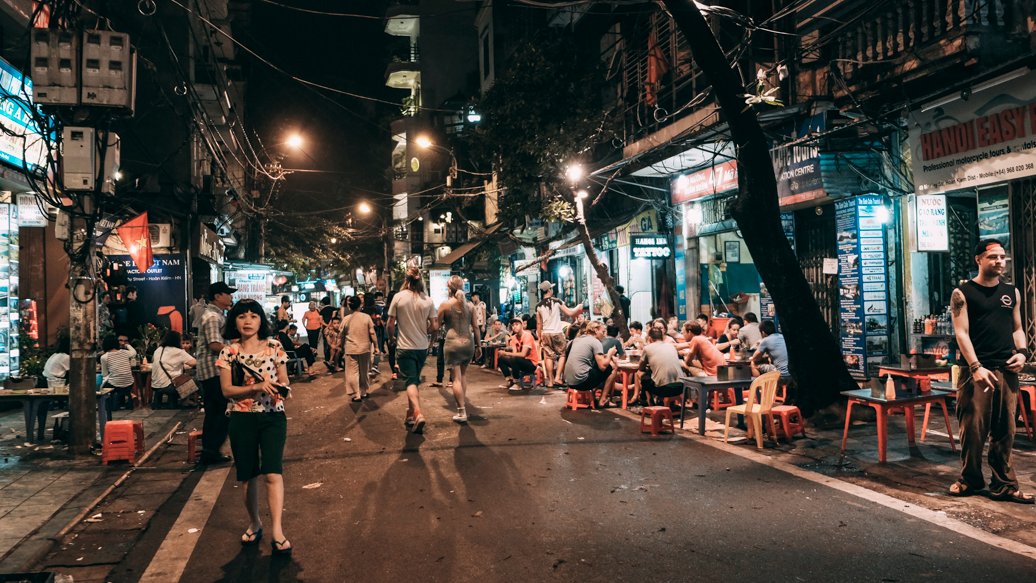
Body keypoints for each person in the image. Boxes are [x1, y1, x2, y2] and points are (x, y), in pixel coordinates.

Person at [947, 239, 1033, 503]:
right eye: (993, 257)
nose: (999, 261)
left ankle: (1004, 485)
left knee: (1006, 430)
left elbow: (1017, 328)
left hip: (1006, 370)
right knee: (973, 430)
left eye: (1002, 257)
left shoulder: (1012, 292)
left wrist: (1022, 353)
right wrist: (975, 367)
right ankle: (970, 480)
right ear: (979, 260)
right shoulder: (963, 293)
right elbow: (961, 333)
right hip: (976, 372)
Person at [216, 299, 293, 555]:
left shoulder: (274, 347)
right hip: (241, 418)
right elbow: (227, 390)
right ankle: (255, 522)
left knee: (273, 472)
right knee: (248, 476)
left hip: (272, 417)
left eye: (253, 316)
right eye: (241, 316)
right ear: (234, 321)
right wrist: (256, 386)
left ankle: (278, 530)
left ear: (261, 320)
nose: (247, 321)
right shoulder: (228, 352)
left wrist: (282, 388)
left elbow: (284, 379)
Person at [386, 267, 438, 433]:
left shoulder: (398, 297)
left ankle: (418, 413)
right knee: (414, 380)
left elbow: (390, 323)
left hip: (405, 347)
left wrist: (391, 337)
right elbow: (435, 326)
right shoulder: (428, 300)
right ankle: (410, 414)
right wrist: (425, 333)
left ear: (406, 280)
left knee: (411, 381)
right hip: (421, 347)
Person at [196, 281, 236, 465]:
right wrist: (235, 352)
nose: (230, 296)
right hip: (213, 370)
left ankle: (209, 452)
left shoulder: (216, 315)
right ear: (218, 296)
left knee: (213, 413)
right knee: (222, 412)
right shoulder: (213, 316)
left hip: (210, 371)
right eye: (227, 293)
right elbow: (214, 344)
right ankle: (211, 450)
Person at [436, 276, 482, 422]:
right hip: (468, 343)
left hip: (452, 343)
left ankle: (461, 411)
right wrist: (479, 346)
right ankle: (463, 405)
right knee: (463, 376)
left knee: (455, 378)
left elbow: (436, 326)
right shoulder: (470, 306)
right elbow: (476, 327)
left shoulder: (445, 305)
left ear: (449, 288)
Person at [536, 280, 584, 389]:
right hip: (557, 332)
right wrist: (579, 307)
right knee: (562, 354)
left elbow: (539, 323)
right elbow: (570, 313)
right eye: (551, 288)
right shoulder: (557, 301)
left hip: (545, 333)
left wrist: (539, 337)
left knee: (548, 356)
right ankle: (558, 377)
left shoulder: (538, 306)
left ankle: (550, 382)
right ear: (549, 290)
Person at [563, 321, 617, 407]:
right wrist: (610, 354)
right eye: (603, 332)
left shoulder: (577, 339)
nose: (604, 334)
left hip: (568, 381)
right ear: (596, 330)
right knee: (612, 368)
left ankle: (594, 395)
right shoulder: (595, 342)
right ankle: (602, 400)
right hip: (581, 381)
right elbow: (602, 367)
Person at [636, 327, 690, 404]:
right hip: (681, 386)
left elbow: (641, 367)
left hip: (663, 389)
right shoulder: (671, 346)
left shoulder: (647, 348)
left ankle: (649, 402)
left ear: (650, 338)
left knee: (640, 374)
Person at [339, 296, 377, 402]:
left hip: (351, 349)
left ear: (350, 307)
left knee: (352, 372)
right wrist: (376, 346)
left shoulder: (346, 319)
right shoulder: (366, 317)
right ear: (360, 305)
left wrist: (342, 346)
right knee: (364, 371)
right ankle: (364, 391)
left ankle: (357, 394)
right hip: (365, 348)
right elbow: (372, 333)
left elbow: (341, 336)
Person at [151, 330, 197, 408]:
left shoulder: (158, 350)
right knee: (196, 379)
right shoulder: (177, 351)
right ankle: (186, 401)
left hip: (155, 385)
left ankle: (182, 400)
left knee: (181, 377)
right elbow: (194, 362)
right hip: (168, 386)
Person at [498, 317, 538, 391]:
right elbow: (515, 353)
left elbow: (523, 354)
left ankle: (517, 382)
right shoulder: (513, 338)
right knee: (501, 358)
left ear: (522, 325)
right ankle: (510, 381)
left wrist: (506, 353)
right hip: (520, 361)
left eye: (517, 324)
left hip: (531, 363)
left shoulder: (527, 336)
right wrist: (505, 354)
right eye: (513, 325)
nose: (514, 327)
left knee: (514, 358)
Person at [100, 334, 135, 411]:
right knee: (118, 381)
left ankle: (110, 405)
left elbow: (104, 374)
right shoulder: (125, 352)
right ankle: (123, 401)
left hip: (115, 385)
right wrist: (126, 345)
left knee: (103, 384)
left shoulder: (104, 357)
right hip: (129, 383)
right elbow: (134, 352)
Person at [471, 291, 488, 362]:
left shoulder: (482, 304)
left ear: (477, 296)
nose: (472, 298)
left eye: (473, 297)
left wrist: (483, 325)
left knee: (480, 341)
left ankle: (481, 359)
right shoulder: (473, 305)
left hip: (481, 325)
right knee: (475, 341)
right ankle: (476, 358)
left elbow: (484, 315)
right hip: (475, 325)